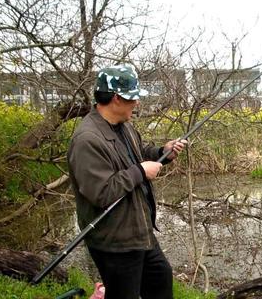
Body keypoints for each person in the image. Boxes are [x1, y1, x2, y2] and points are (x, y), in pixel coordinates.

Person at [67, 64, 187, 299]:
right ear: (115, 99)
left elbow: (138, 153)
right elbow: (101, 192)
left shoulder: (125, 127)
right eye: (132, 98)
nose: (137, 103)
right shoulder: (87, 140)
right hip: (114, 242)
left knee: (161, 280)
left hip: (140, 233)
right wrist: (140, 172)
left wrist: (164, 151)